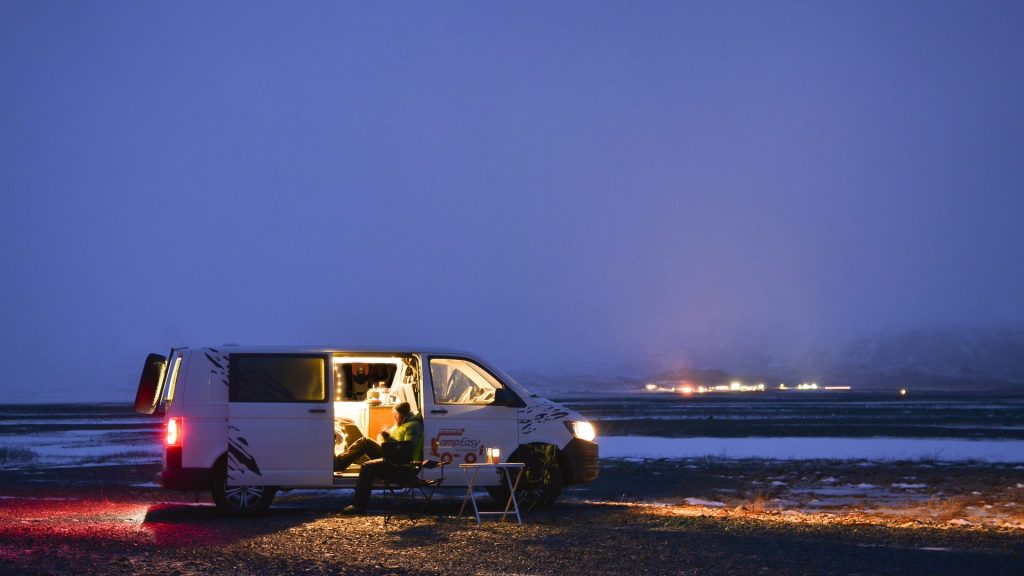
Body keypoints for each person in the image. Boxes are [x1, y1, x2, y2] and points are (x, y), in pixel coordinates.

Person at [337, 401, 423, 513]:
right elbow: (391, 444)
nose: (394, 417)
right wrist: (383, 436)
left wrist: (388, 438)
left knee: (367, 467)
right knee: (365, 441)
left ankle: (359, 505)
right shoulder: (402, 424)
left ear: (400, 415)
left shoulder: (413, 427)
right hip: (393, 458)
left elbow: (406, 449)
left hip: (402, 466)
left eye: (395, 415)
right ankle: (339, 463)